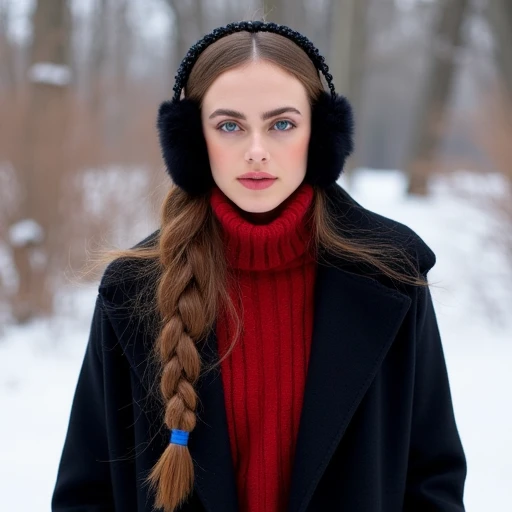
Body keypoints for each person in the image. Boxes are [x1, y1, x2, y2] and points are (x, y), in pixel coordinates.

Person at [51, 20, 467, 512]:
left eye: (282, 124)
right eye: (229, 125)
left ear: (319, 133)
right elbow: (87, 494)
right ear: (191, 141)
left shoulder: (391, 273)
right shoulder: (134, 290)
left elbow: (432, 479)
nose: (256, 152)